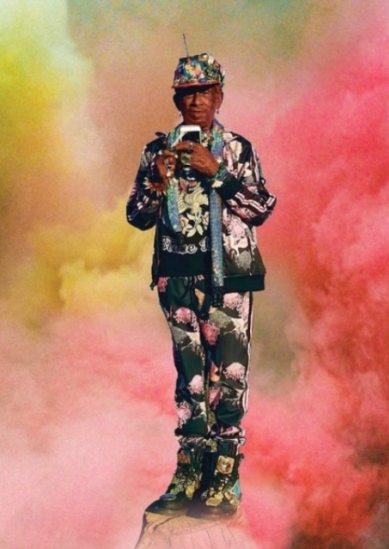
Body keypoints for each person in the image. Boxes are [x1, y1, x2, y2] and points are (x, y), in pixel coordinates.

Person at [126, 53, 276, 517]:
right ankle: (189, 470)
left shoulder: (237, 149)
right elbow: (137, 217)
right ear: (177, 100)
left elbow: (260, 208)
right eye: (187, 93)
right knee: (190, 377)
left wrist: (219, 174)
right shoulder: (158, 151)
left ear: (219, 96)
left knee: (229, 374)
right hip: (176, 278)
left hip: (228, 276)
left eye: (204, 92)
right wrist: (157, 182)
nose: (195, 102)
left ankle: (225, 475)